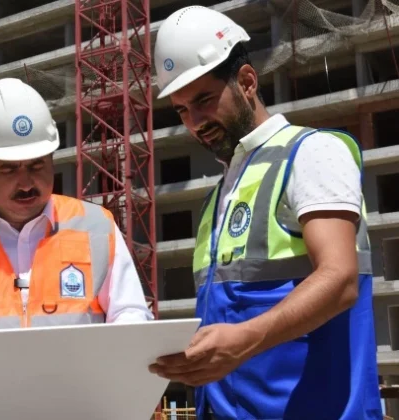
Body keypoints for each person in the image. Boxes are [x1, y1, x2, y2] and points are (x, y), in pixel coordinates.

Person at [148, 6, 381, 419]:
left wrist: (241, 341)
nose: (196, 122)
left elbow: (341, 278)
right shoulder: (216, 199)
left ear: (247, 82)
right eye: (182, 110)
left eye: (203, 100)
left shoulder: (312, 152)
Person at [0, 78, 153, 334]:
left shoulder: (97, 227)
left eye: (37, 165)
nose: (26, 183)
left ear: (52, 160)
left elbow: (131, 314)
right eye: (9, 168)